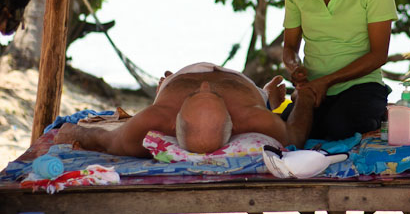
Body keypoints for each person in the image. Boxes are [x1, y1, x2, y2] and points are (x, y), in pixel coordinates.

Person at [282, 0, 397, 140]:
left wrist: (326, 81)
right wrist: (296, 70)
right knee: (281, 130)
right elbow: (289, 48)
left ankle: (374, 112)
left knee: (338, 127)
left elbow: (378, 55)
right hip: (313, 90)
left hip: (361, 86)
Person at [54, 62, 314, 157]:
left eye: (200, 93)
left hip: (177, 80)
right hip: (242, 87)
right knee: (262, 101)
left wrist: (72, 131)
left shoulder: (159, 117)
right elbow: (296, 135)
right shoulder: (249, 116)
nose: (204, 84)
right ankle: (268, 94)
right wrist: (304, 95)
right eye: (206, 92)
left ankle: (164, 87)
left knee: (164, 91)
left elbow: (107, 139)